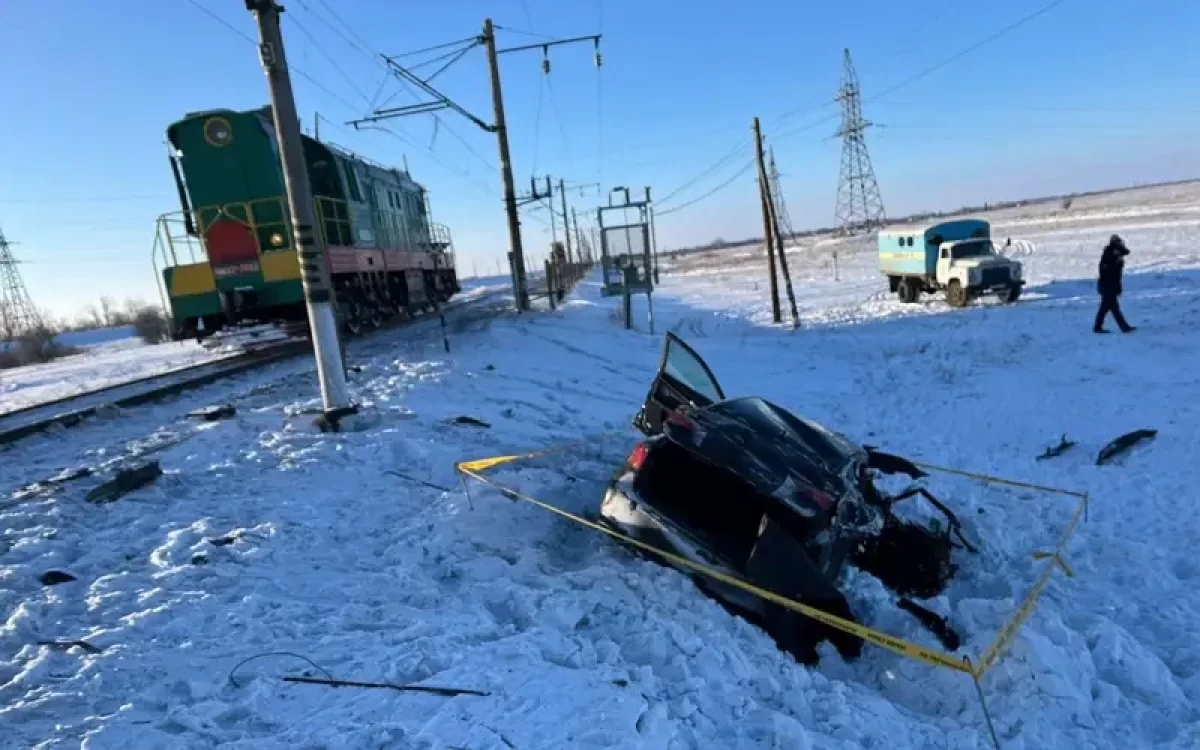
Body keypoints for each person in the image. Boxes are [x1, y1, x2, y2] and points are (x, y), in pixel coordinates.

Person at [1093, 234, 1135, 334]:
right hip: (1107, 286)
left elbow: (1126, 252)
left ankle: (1098, 327)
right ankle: (1124, 327)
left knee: (1105, 308)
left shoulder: (1114, 254)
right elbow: (1107, 273)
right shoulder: (1108, 256)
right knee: (1113, 308)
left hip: (1111, 285)